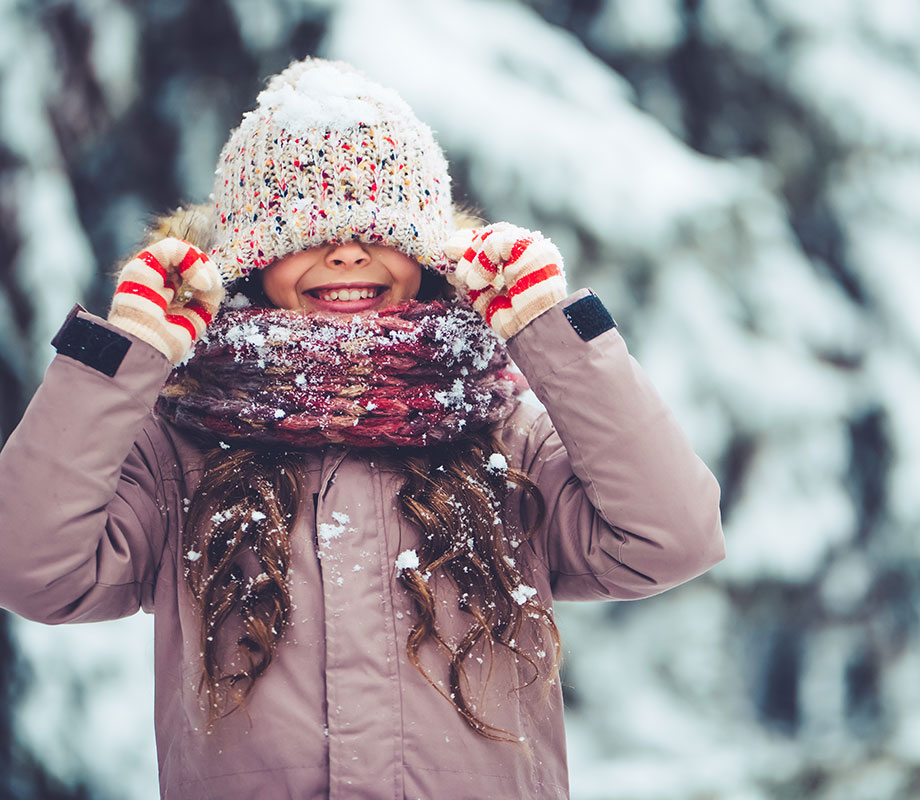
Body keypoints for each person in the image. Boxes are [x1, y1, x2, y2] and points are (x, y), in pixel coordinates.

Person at [0, 57, 725, 799]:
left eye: (380, 227)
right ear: (253, 256)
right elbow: (30, 568)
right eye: (307, 230)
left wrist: (550, 334)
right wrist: (124, 358)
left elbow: (672, 538)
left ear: (423, 251)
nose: (347, 252)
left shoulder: (503, 435)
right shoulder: (177, 446)